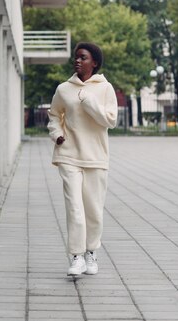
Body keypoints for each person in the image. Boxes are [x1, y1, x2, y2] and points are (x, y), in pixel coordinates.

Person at [47, 42, 118, 276]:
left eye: (83, 57)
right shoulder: (63, 89)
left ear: (94, 62)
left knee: (93, 210)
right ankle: (76, 257)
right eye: (76, 57)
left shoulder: (105, 88)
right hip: (69, 155)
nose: (78, 61)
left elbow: (110, 120)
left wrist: (89, 102)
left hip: (96, 157)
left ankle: (91, 253)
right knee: (75, 208)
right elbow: (54, 115)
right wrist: (57, 134)